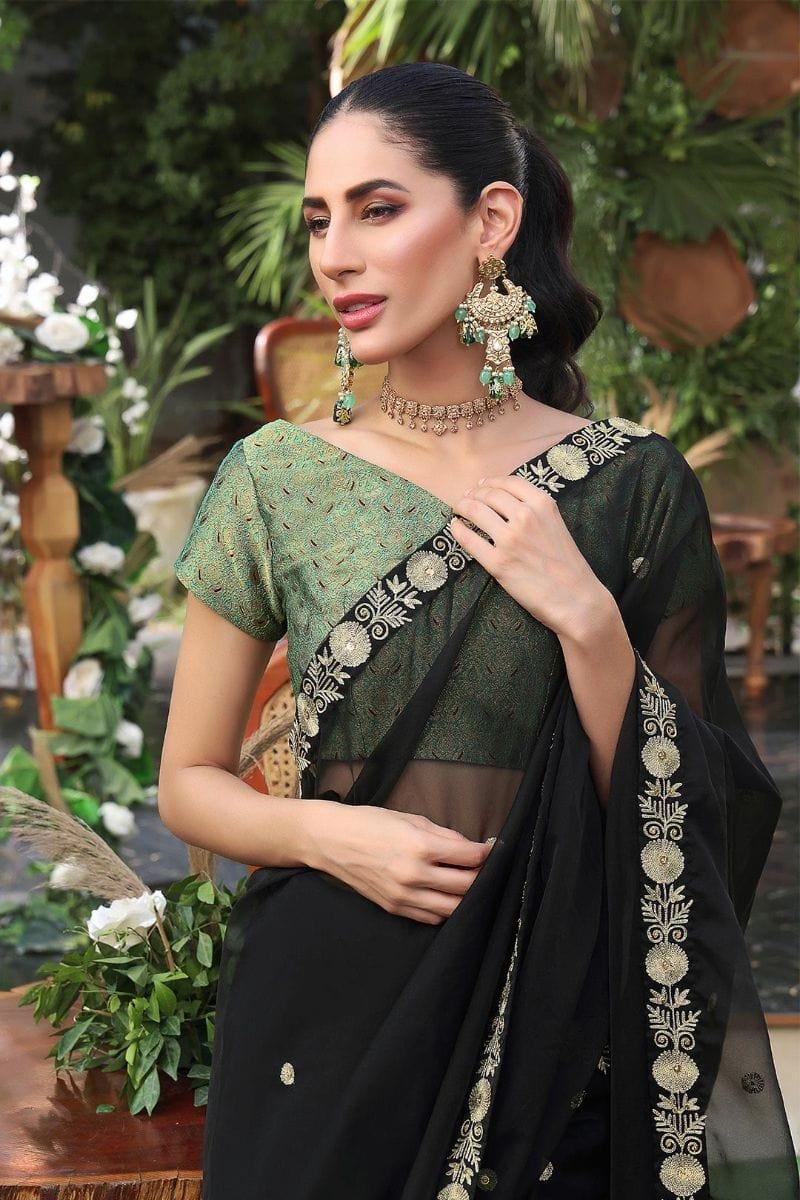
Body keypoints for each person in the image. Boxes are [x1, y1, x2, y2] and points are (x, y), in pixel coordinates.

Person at [158, 62, 798, 1200]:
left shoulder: (629, 485)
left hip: (555, 1031)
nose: (335, 255)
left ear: (491, 221)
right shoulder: (274, 479)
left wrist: (587, 620)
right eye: (319, 220)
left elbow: (695, 802)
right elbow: (189, 783)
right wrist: (330, 836)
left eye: (377, 209)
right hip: (323, 1022)